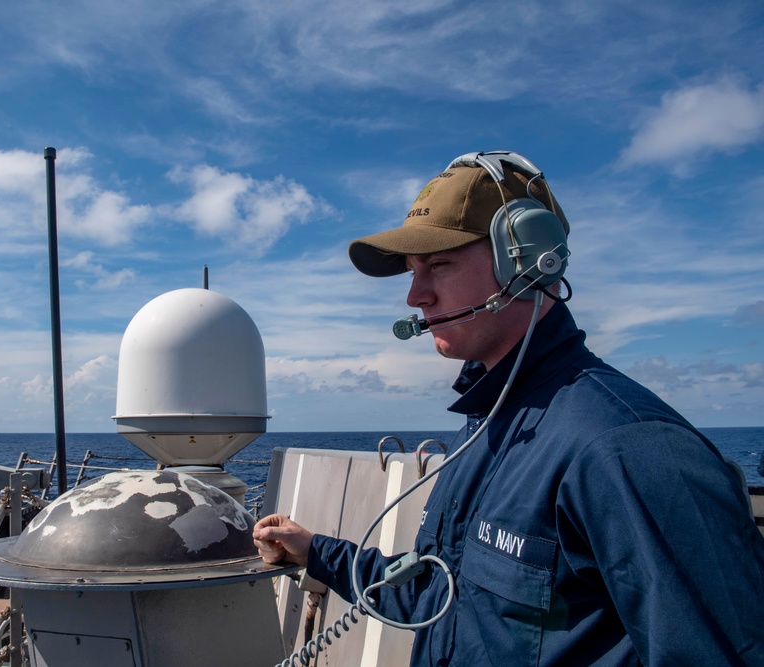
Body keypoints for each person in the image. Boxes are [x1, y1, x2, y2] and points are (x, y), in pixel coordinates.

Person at [253, 151, 764, 666]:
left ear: (524, 261)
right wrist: (316, 550)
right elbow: (438, 595)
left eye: (439, 265)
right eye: (411, 271)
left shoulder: (630, 450)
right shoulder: (489, 428)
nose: (415, 296)